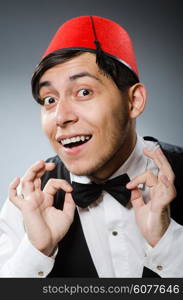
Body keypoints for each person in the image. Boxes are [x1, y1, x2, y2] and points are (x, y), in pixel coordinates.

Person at [0, 15, 183, 278]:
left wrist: (168, 244)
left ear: (134, 101)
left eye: (83, 92)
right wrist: (36, 249)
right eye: (49, 99)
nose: (61, 116)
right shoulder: (26, 202)